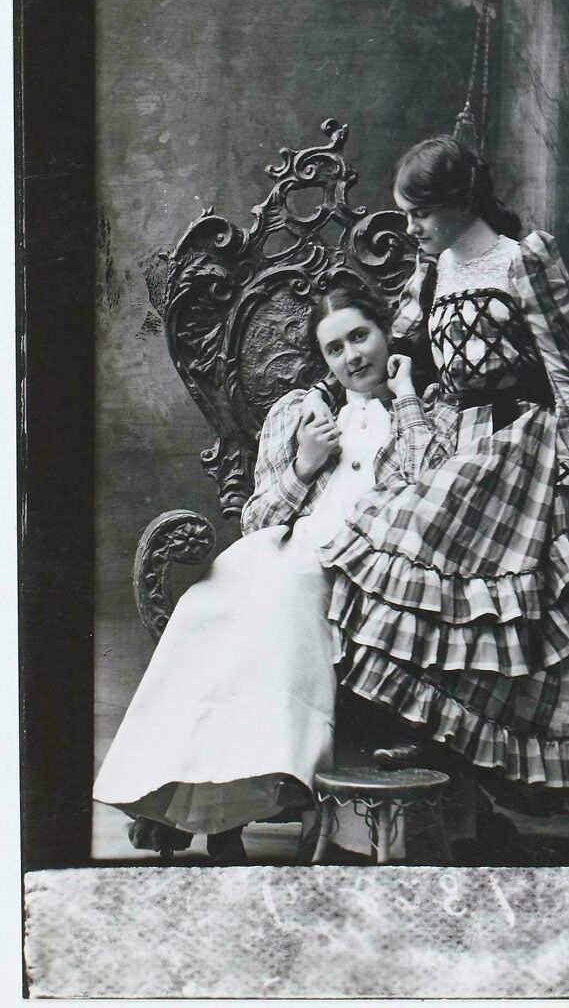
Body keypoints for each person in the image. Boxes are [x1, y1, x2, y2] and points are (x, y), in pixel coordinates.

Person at [304, 134, 569, 805]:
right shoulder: (435, 270)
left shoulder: (522, 261)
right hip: (456, 436)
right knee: (408, 559)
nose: (410, 227)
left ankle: (501, 768)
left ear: (458, 202)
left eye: (418, 214)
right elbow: (395, 345)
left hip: (519, 445)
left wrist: (564, 475)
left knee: (504, 606)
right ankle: (445, 743)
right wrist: (335, 392)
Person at [92, 286, 445, 863]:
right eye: (335, 348)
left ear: (386, 333)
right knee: (208, 606)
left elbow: (431, 490)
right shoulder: (301, 414)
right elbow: (256, 520)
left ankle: (217, 810)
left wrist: (404, 396)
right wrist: (304, 464)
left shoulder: (424, 411)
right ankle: (181, 801)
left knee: (275, 607)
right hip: (278, 550)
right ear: (322, 359)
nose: (352, 356)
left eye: (360, 337)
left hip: (351, 562)